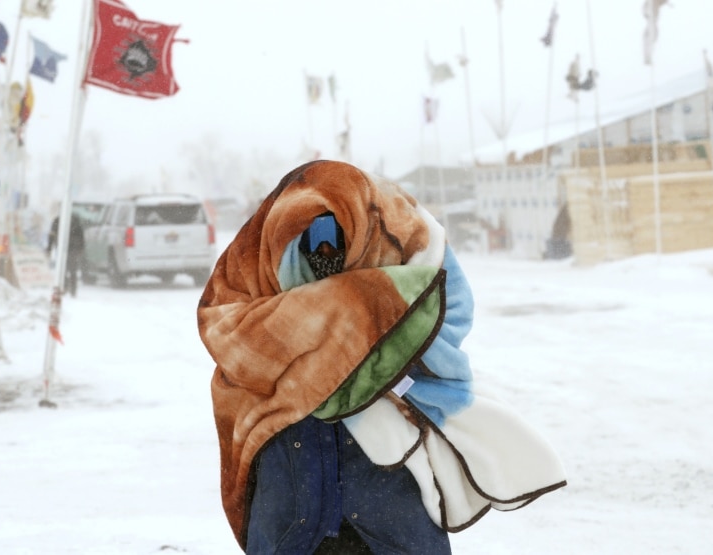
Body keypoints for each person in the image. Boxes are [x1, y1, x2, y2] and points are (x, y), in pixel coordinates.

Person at [198, 161, 566, 554]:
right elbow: (229, 336)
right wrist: (353, 315)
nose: (324, 252)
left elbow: (446, 307)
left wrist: (376, 362)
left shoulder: (404, 233)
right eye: (310, 241)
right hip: (292, 459)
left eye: (333, 237)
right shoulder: (252, 258)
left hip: (383, 472)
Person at [47, 213, 85, 297]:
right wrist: (81, 247)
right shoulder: (75, 220)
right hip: (72, 248)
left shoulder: (58, 220)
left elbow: (52, 235)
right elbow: (81, 235)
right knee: (72, 269)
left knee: (63, 269)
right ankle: (71, 289)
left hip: (65, 248)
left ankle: (66, 287)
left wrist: (49, 247)